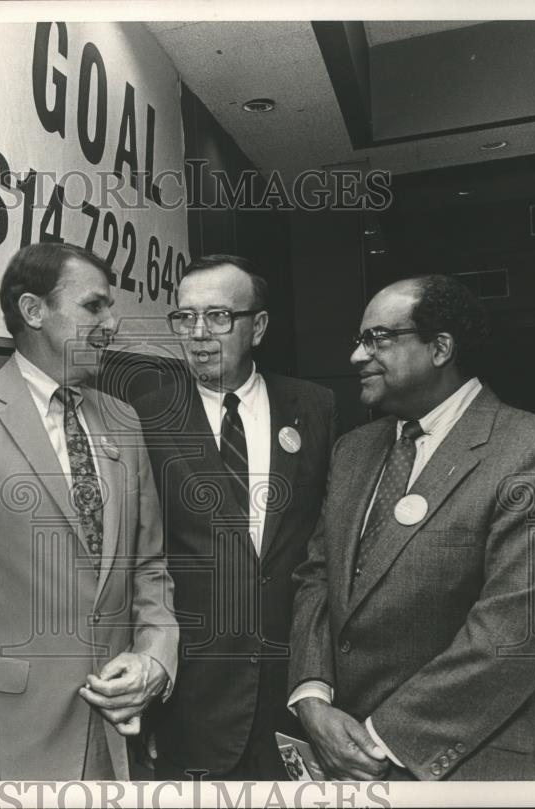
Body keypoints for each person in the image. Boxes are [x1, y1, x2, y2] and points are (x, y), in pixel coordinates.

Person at [288, 275, 535, 781]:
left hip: (464, 763)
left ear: (440, 348)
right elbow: (318, 577)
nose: (356, 357)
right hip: (338, 751)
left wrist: (380, 739)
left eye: (377, 339)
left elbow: (515, 636)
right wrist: (312, 695)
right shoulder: (353, 450)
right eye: (358, 341)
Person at [0, 242, 178, 781]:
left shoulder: (125, 421)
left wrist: (155, 656)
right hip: (7, 739)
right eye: (94, 306)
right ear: (34, 310)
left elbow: (149, 568)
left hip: (114, 736)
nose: (112, 322)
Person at [134, 255, 336, 780]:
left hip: (294, 693)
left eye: (218, 316)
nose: (198, 334)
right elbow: (139, 563)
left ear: (259, 326)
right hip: (192, 702)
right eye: (185, 317)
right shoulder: (146, 418)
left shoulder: (315, 408)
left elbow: (325, 548)